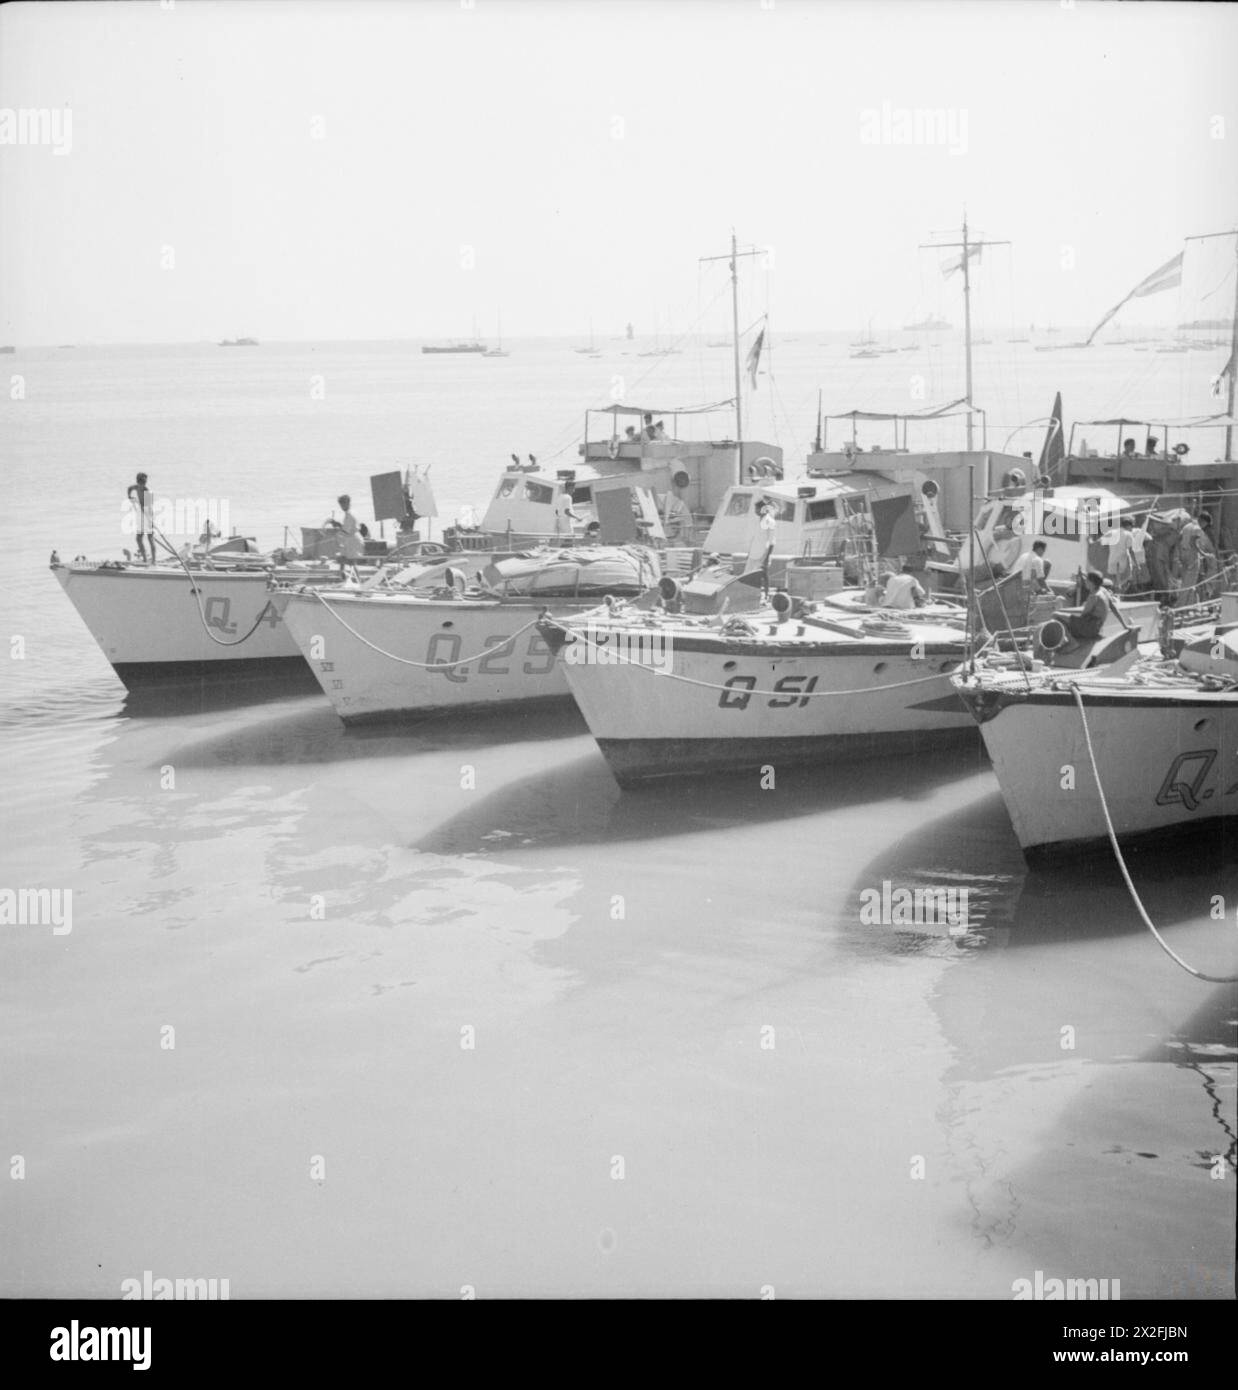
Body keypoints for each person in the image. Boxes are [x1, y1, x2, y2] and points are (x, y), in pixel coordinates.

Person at [1053, 569, 1112, 641]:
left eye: (1087, 580)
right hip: (1096, 627)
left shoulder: (1094, 596)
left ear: (1092, 582)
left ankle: (1071, 642)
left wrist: (1070, 619)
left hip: (1089, 628)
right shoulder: (1103, 592)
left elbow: (1084, 615)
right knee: (1067, 618)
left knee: (1055, 614)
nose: (1085, 582)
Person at [1177, 511, 1215, 600]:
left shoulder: (1187, 526)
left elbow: (1179, 539)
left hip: (1183, 554)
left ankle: (1184, 602)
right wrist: (1204, 554)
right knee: (1190, 582)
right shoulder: (1197, 528)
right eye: (1206, 524)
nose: (1205, 527)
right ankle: (1184, 604)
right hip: (1192, 556)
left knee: (1185, 581)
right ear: (1203, 521)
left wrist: (1180, 553)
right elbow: (1193, 543)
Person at [126, 472, 155, 563]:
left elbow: (148, 507)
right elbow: (129, 488)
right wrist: (129, 497)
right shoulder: (136, 487)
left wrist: (150, 521)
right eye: (140, 483)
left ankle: (154, 560)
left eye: (143, 483)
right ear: (138, 482)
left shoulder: (148, 491)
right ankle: (145, 559)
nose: (142, 485)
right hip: (142, 516)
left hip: (148, 516)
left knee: (150, 538)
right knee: (138, 539)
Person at [325, 494, 365, 560]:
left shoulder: (349, 514)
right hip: (352, 541)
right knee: (348, 562)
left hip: (353, 542)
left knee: (351, 562)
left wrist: (337, 526)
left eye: (343, 504)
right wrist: (338, 525)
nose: (342, 506)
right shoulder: (350, 513)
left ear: (348, 503)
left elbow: (346, 531)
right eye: (341, 505)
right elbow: (347, 528)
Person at [1101, 516, 1136, 590]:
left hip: (1111, 561)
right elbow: (1131, 550)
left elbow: (1102, 543)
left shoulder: (1111, 532)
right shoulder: (1128, 534)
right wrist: (1136, 563)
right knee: (1124, 581)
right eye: (1131, 527)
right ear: (1129, 526)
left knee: (1113, 583)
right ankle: (1118, 596)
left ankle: (1114, 594)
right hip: (1122, 563)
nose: (1132, 529)